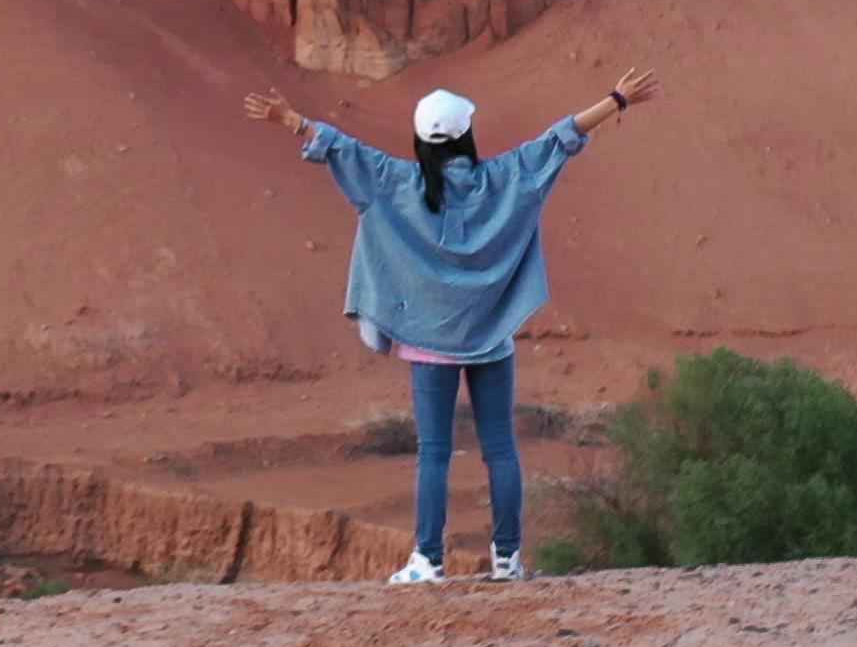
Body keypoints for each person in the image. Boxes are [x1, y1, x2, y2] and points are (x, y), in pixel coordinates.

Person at [243, 66, 654, 585]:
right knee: (500, 447)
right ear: (467, 135)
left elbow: (339, 146)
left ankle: (428, 560)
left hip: (428, 344)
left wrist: (290, 119)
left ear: (419, 139)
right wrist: (616, 99)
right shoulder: (508, 178)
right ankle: (508, 560)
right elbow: (560, 136)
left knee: (434, 452)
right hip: (492, 338)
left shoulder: (393, 182)